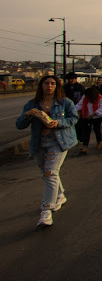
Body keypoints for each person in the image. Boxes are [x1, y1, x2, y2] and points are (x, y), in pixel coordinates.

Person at [15, 75, 79, 228]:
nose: (49, 86)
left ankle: (46, 211)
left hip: (58, 142)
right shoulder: (33, 104)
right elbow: (19, 124)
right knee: (47, 173)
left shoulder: (64, 103)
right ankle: (59, 194)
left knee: (50, 173)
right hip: (39, 143)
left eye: (52, 83)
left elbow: (74, 118)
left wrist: (57, 122)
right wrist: (28, 115)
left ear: (57, 86)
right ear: (41, 86)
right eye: (46, 83)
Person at [75, 86, 102, 154]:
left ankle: (99, 142)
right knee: (86, 132)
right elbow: (80, 104)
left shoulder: (100, 98)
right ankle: (85, 146)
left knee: (97, 130)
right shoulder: (85, 97)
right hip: (86, 116)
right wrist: (75, 110)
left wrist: (94, 114)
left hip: (96, 117)